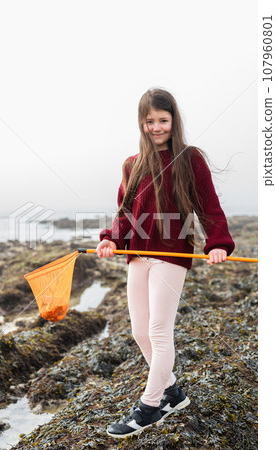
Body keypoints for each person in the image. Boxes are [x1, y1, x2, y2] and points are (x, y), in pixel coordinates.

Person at [96, 88, 235, 439]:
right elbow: (125, 213)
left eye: (163, 120)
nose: (156, 127)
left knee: (159, 331)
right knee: (139, 332)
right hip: (138, 254)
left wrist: (217, 243)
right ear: (141, 123)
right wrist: (112, 239)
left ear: (174, 121)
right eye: (150, 121)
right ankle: (173, 393)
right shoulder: (132, 164)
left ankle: (149, 407)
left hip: (172, 253)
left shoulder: (190, 159)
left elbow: (209, 206)